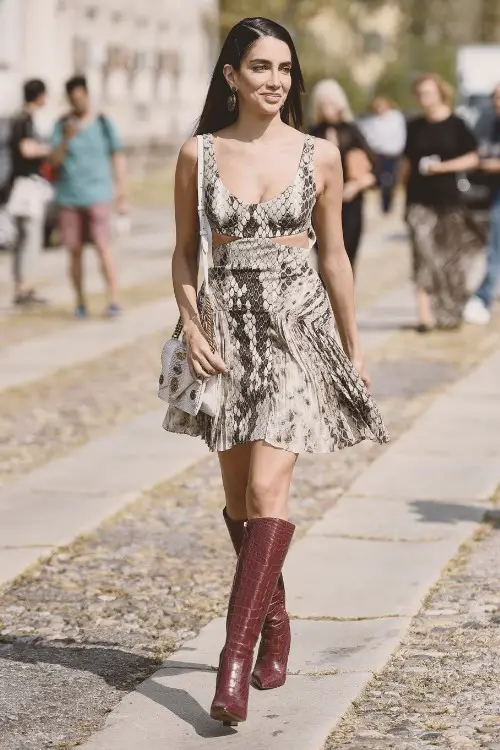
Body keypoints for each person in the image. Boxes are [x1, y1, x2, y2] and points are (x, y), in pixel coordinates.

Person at [163, 16, 389, 726]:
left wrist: (352, 348)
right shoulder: (197, 154)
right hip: (225, 333)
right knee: (239, 501)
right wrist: (193, 324)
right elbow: (182, 255)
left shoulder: (320, 155)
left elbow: (334, 258)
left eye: (284, 69)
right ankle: (277, 619)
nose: (274, 81)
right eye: (260, 67)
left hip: (296, 330)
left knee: (268, 486)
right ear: (230, 75)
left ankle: (230, 666)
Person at [402, 73, 484, 332]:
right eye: (421, 93)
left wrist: (443, 167)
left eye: (429, 92)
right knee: (423, 256)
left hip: (449, 202)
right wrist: (397, 195)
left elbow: (473, 158)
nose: (425, 98)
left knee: (449, 259)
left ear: (440, 93)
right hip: (418, 202)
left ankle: (449, 312)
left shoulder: (456, 124)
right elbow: (406, 163)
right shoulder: (414, 126)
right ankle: (424, 315)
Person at [50, 75, 126, 318]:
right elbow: (53, 161)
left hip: (98, 194)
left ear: (87, 95)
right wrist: (66, 138)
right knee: (73, 251)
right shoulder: (61, 125)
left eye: (81, 98)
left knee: (103, 247)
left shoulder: (103, 122)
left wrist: (121, 191)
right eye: (73, 100)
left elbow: (118, 156)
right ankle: (80, 302)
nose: (77, 103)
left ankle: (114, 300)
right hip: (69, 197)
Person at [308, 79, 376, 272]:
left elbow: (375, 170)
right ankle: (324, 302)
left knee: (347, 258)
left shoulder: (352, 132)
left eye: (331, 103)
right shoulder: (312, 133)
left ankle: (344, 302)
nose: (327, 108)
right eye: (323, 104)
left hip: (350, 205)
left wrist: (356, 185)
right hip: (319, 206)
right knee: (323, 259)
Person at [7, 79, 51, 306]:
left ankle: (22, 285)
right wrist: (49, 148)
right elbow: (26, 149)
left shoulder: (20, 118)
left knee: (24, 238)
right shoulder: (23, 119)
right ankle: (22, 288)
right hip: (25, 186)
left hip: (24, 185)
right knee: (29, 237)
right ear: (39, 95)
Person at [463, 82, 500, 325]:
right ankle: (483, 297)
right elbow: (479, 152)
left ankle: (483, 296)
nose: (496, 103)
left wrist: (487, 164)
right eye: (495, 98)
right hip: (496, 191)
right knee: (495, 244)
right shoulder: (489, 123)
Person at [360, 96, 406, 213]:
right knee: (385, 179)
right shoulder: (371, 122)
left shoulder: (396, 117)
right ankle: (384, 205)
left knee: (392, 179)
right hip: (379, 155)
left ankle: (389, 202)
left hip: (394, 154)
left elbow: (401, 135)